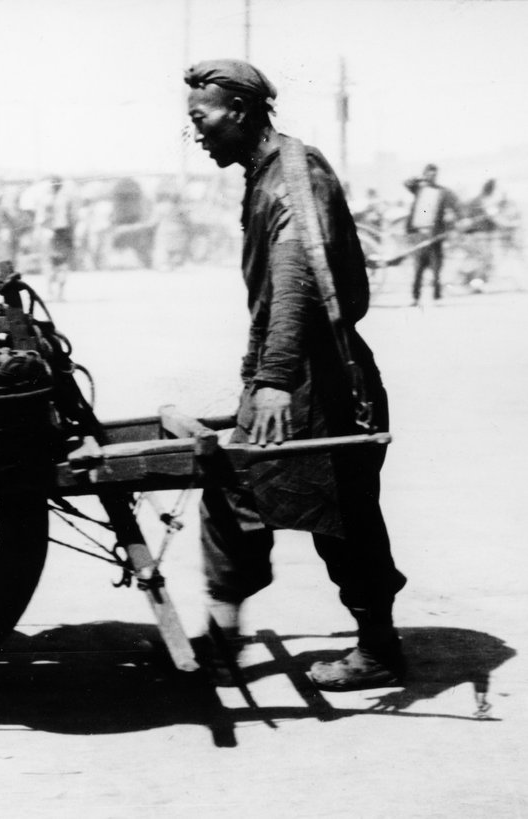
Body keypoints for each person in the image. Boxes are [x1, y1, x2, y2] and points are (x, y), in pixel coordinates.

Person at [184, 59, 406, 691]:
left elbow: (297, 283)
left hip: (318, 380)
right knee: (331, 510)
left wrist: (275, 378)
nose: (196, 133)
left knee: (266, 495)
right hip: (301, 373)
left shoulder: (292, 179)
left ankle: (365, 650)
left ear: (241, 111)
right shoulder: (267, 173)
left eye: (201, 119)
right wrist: (259, 376)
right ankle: (238, 638)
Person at [403, 163, 460, 306]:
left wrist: (452, 224)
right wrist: (420, 178)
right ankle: (415, 298)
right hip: (418, 235)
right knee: (418, 269)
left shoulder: (443, 192)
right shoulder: (418, 189)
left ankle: (436, 298)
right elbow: (407, 183)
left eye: (434, 174)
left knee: (436, 269)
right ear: (425, 174)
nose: (431, 176)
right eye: (429, 174)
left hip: (434, 235)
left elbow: (455, 205)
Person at [44, 175, 77, 300]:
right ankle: (53, 292)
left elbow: (71, 217)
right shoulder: (50, 199)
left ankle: (57, 292)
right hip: (54, 233)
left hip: (60, 232)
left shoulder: (60, 199)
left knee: (59, 263)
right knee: (54, 263)